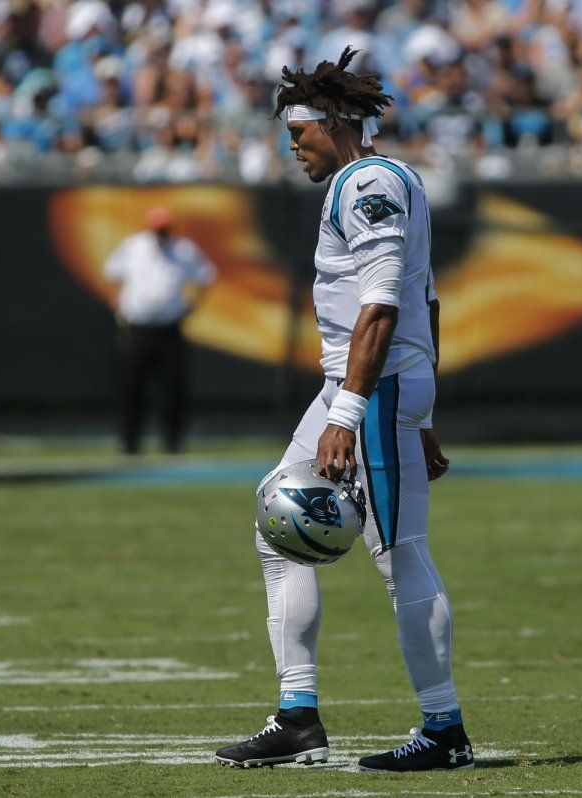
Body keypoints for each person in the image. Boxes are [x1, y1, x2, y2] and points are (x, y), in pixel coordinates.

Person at [214, 48, 470, 772]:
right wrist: (421, 415)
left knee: (399, 554)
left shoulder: (367, 184)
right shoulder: (376, 180)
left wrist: (352, 412)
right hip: (368, 388)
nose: (292, 149)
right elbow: (428, 303)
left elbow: (385, 306)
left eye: (299, 134)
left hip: (372, 389)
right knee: (277, 522)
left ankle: (445, 728)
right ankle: (298, 717)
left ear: (334, 122)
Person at [104, 205, 216, 455]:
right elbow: (112, 272)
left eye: (164, 230)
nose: (160, 235)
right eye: (157, 230)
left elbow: (206, 276)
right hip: (137, 328)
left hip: (169, 330)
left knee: (173, 387)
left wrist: (192, 303)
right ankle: (129, 443)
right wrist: (116, 302)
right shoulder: (134, 247)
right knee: (132, 387)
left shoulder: (183, 250)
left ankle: (172, 442)